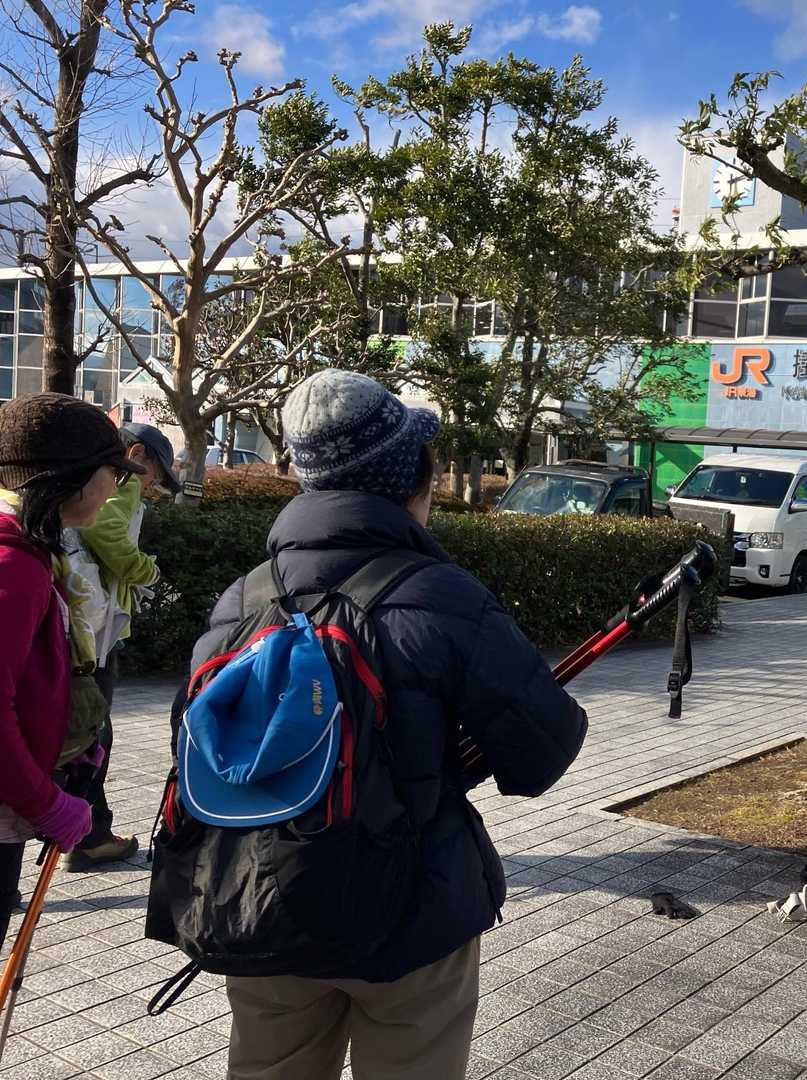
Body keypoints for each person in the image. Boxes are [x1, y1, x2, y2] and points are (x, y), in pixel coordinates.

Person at [181, 371, 587, 1080]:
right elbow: (541, 754)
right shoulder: (441, 596)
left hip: (267, 903)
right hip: (412, 915)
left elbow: (200, 752)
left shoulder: (241, 600)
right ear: (410, 481)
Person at [0, 393, 147, 941]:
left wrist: (70, 739)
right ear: (70, 478)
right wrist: (47, 805)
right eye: (114, 473)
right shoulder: (14, 567)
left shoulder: (32, 552)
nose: (115, 489)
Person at [62, 422, 181, 871]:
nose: (151, 487)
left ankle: (86, 831)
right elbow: (105, 532)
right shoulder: (121, 479)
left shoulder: (80, 476)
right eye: (156, 475)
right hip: (92, 632)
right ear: (137, 455)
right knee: (92, 731)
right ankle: (87, 837)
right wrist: (146, 570)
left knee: (87, 730)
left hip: (81, 625)